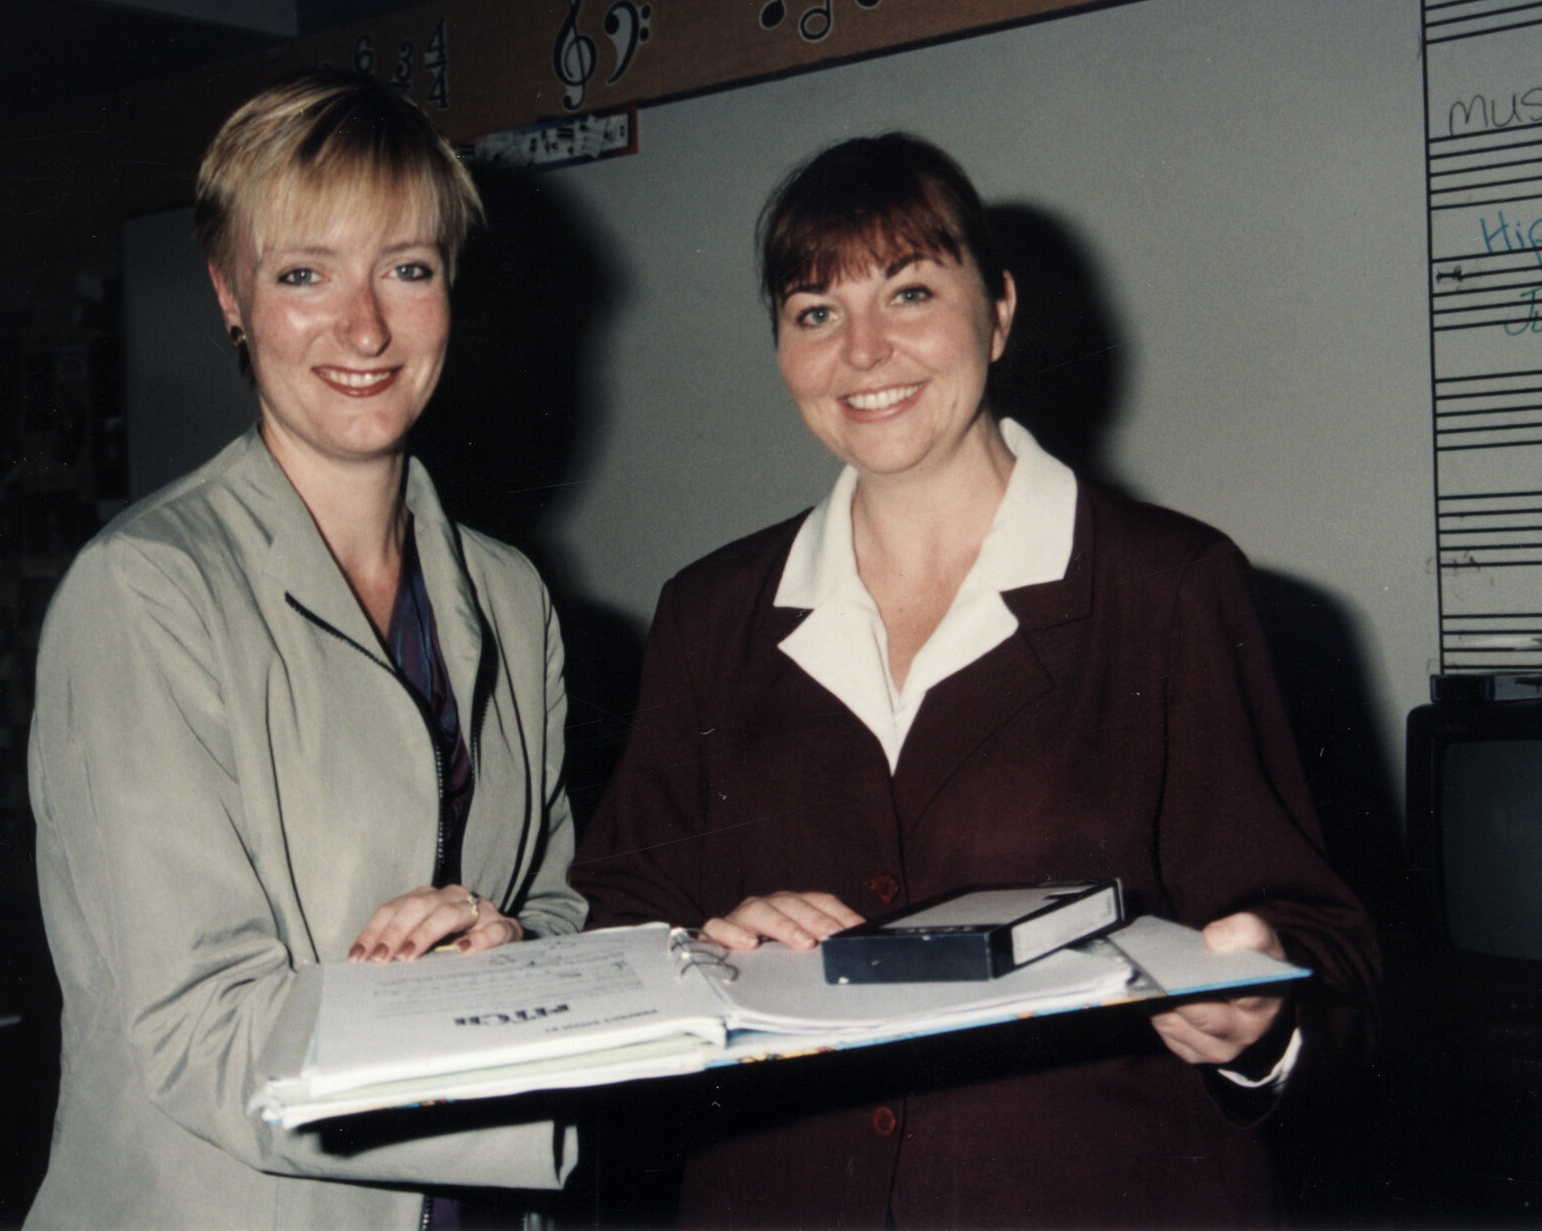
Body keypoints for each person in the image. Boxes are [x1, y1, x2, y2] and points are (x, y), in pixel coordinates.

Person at [569, 134, 1378, 1227]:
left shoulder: (1167, 586)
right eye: (814, 311)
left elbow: (1319, 943)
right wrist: (702, 945)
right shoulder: (711, 614)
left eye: (909, 292)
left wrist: (1260, 1022)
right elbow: (618, 927)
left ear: (997, 312)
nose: (863, 351)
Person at [26, 70, 584, 1229]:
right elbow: (197, 1028)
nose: (365, 326)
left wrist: (513, 943)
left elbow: (556, 900)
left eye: (407, 268)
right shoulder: (148, 593)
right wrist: (553, 1106)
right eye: (303, 274)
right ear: (230, 294)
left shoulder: (512, 597)